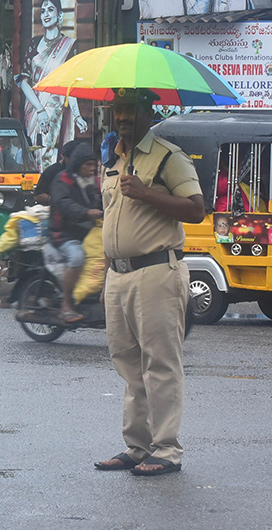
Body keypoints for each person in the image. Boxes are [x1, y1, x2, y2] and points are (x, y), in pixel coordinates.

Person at [93, 88, 205, 476]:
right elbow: (111, 217)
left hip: (157, 272)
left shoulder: (168, 157)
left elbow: (196, 209)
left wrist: (145, 193)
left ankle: (167, 450)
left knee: (160, 364)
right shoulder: (113, 159)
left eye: (130, 109)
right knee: (128, 365)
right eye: (117, 109)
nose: (122, 116)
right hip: (119, 275)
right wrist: (106, 270)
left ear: (147, 111)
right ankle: (137, 446)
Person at [15, 0, 88, 168]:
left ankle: (45, 187)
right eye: (43, 11)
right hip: (33, 108)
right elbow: (24, 81)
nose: (46, 14)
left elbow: (69, 85)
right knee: (33, 150)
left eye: (51, 10)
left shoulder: (69, 46)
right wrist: (40, 110)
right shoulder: (33, 44)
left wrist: (77, 116)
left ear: (60, 15)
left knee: (47, 150)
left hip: (55, 108)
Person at [47, 142, 102, 322]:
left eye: (94, 165)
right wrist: (86, 213)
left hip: (86, 232)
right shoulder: (62, 180)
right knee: (78, 257)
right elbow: (63, 204)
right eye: (88, 165)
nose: (92, 169)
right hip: (63, 234)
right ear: (78, 164)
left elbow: (101, 202)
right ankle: (66, 305)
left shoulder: (93, 182)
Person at [34, 139, 78, 205]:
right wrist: (53, 200)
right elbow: (38, 195)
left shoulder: (82, 172)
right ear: (63, 156)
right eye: (71, 160)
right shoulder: (51, 172)